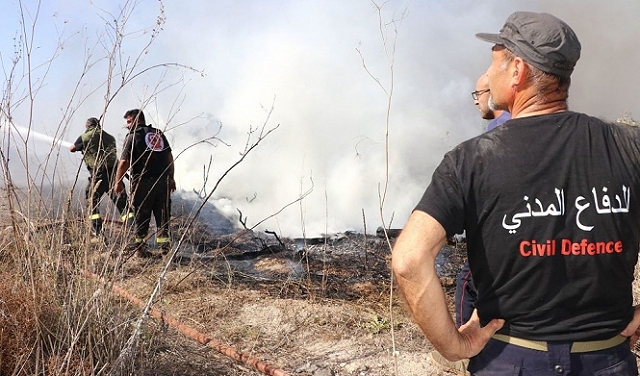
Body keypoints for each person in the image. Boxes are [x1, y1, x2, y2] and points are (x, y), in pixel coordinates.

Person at [393, 11, 640, 376]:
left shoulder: (471, 160)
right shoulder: (629, 147)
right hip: (608, 360)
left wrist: (452, 345)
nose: (488, 76)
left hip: (509, 361)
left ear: (518, 70)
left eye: (493, 62)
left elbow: (409, 260)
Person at [429, 75, 513, 376]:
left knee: (468, 279)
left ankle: (465, 349)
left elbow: (409, 261)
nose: (476, 99)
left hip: (503, 235)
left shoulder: (497, 130)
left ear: (494, 93)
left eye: (478, 93)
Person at [114, 109, 176, 257]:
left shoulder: (132, 137)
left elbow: (124, 162)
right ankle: (164, 251)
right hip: (163, 181)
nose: (127, 125)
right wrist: (171, 178)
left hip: (143, 183)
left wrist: (118, 181)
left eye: (129, 122)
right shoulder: (158, 134)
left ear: (136, 120)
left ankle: (139, 249)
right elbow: (169, 158)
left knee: (141, 215)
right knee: (163, 216)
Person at [70, 117, 133, 239]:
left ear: (88, 126)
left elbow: (72, 148)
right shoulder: (110, 137)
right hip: (114, 176)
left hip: (98, 175)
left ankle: (99, 235)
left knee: (91, 203)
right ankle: (135, 234)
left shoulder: (85, 136)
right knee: (123, 204)